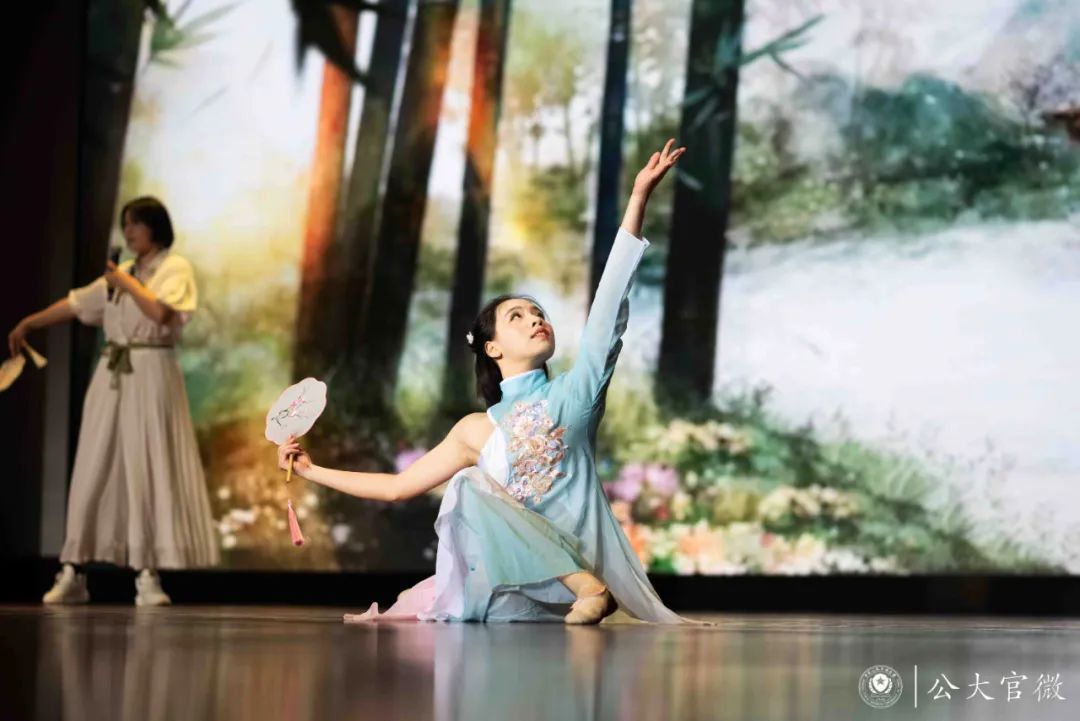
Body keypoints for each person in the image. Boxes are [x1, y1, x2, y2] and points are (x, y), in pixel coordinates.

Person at [278, 141, 689, 624]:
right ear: (491, 348)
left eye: (538, 313)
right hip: (521, 589)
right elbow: (397, 487)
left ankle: (588, 587)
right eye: (518, 316)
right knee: (463, 497)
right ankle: (580, 592)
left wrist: (638, 198)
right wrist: (310, 471)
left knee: (469, 484)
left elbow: (607, 309)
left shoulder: (574, 394)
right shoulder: (475, 429)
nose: (535, 319)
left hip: (581, 567)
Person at [9, 196, 219, 605]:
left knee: (147, 465)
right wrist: (28, 323)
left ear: (155, 228)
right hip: (112, 373)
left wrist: (125, 283)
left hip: (152, 372)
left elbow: (160, 314)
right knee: (93, 463)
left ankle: (147, 572)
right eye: (126, 224)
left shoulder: (173, 268)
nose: (129, 231)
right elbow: (76, 303)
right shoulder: (122, 274)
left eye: (136, 224)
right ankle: (73, 569)